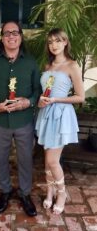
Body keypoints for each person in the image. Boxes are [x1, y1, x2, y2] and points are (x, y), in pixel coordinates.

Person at [0, 21, 40, 216]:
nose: (11, 36)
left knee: (25, 159)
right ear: (2, 37)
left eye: (15, 32)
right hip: (0, 121)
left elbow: (37, 90)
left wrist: (28, 102)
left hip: (24, 120)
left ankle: (25, 193)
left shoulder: (30, 62)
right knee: (1, 158)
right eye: (7, 33)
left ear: (21, 36)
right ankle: (5, 191)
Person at [35, 28, 85, 214]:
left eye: (57, 41)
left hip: (61, 116)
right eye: (50, 42)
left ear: (65, 42)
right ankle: (50, 191)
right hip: (46, 114)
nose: (54, 45)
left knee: (52, 160)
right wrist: (41, 101)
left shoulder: (72, 65)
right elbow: (45, 93)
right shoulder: (47, 66)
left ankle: (62, 193)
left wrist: (56, 100)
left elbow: (80, 97)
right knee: (47, 162)